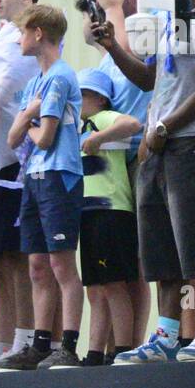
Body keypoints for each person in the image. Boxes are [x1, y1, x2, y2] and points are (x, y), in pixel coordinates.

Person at [98, 0, 195, 363]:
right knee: (162, 250)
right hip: (160, 146)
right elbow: (150, 79)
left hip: (189, 145)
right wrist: (113, 47)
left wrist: (164, 128)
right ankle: (166, 335)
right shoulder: (167, 24)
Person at [0, 6, 86, 370]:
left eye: (22, 32)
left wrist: (28, 121)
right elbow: (15, 136)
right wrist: (26, 118)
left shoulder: (61, 77)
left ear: (37, 33)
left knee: (61, 263)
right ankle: (40, 343)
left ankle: (68, 344)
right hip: (32, 176)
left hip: (58, 175)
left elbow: (44, 138)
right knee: (36, 263)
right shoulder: (35, 84)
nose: (18, 40)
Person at [0, 0, 48, 370]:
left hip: (20, 164)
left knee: (23, 260)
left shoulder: (31, 40)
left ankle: (25, 338)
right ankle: (1, 343)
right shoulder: (3, 37)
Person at [75, 69, 144, 365]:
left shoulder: (102, 120)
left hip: (110, 211)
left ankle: (122, 348)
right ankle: (94, 350)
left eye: (82, 95)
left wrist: (99, 138)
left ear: (100, 99)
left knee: (114, 283)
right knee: (95, 287)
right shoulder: (80, 129)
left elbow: (132, 123)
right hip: (90, 213)